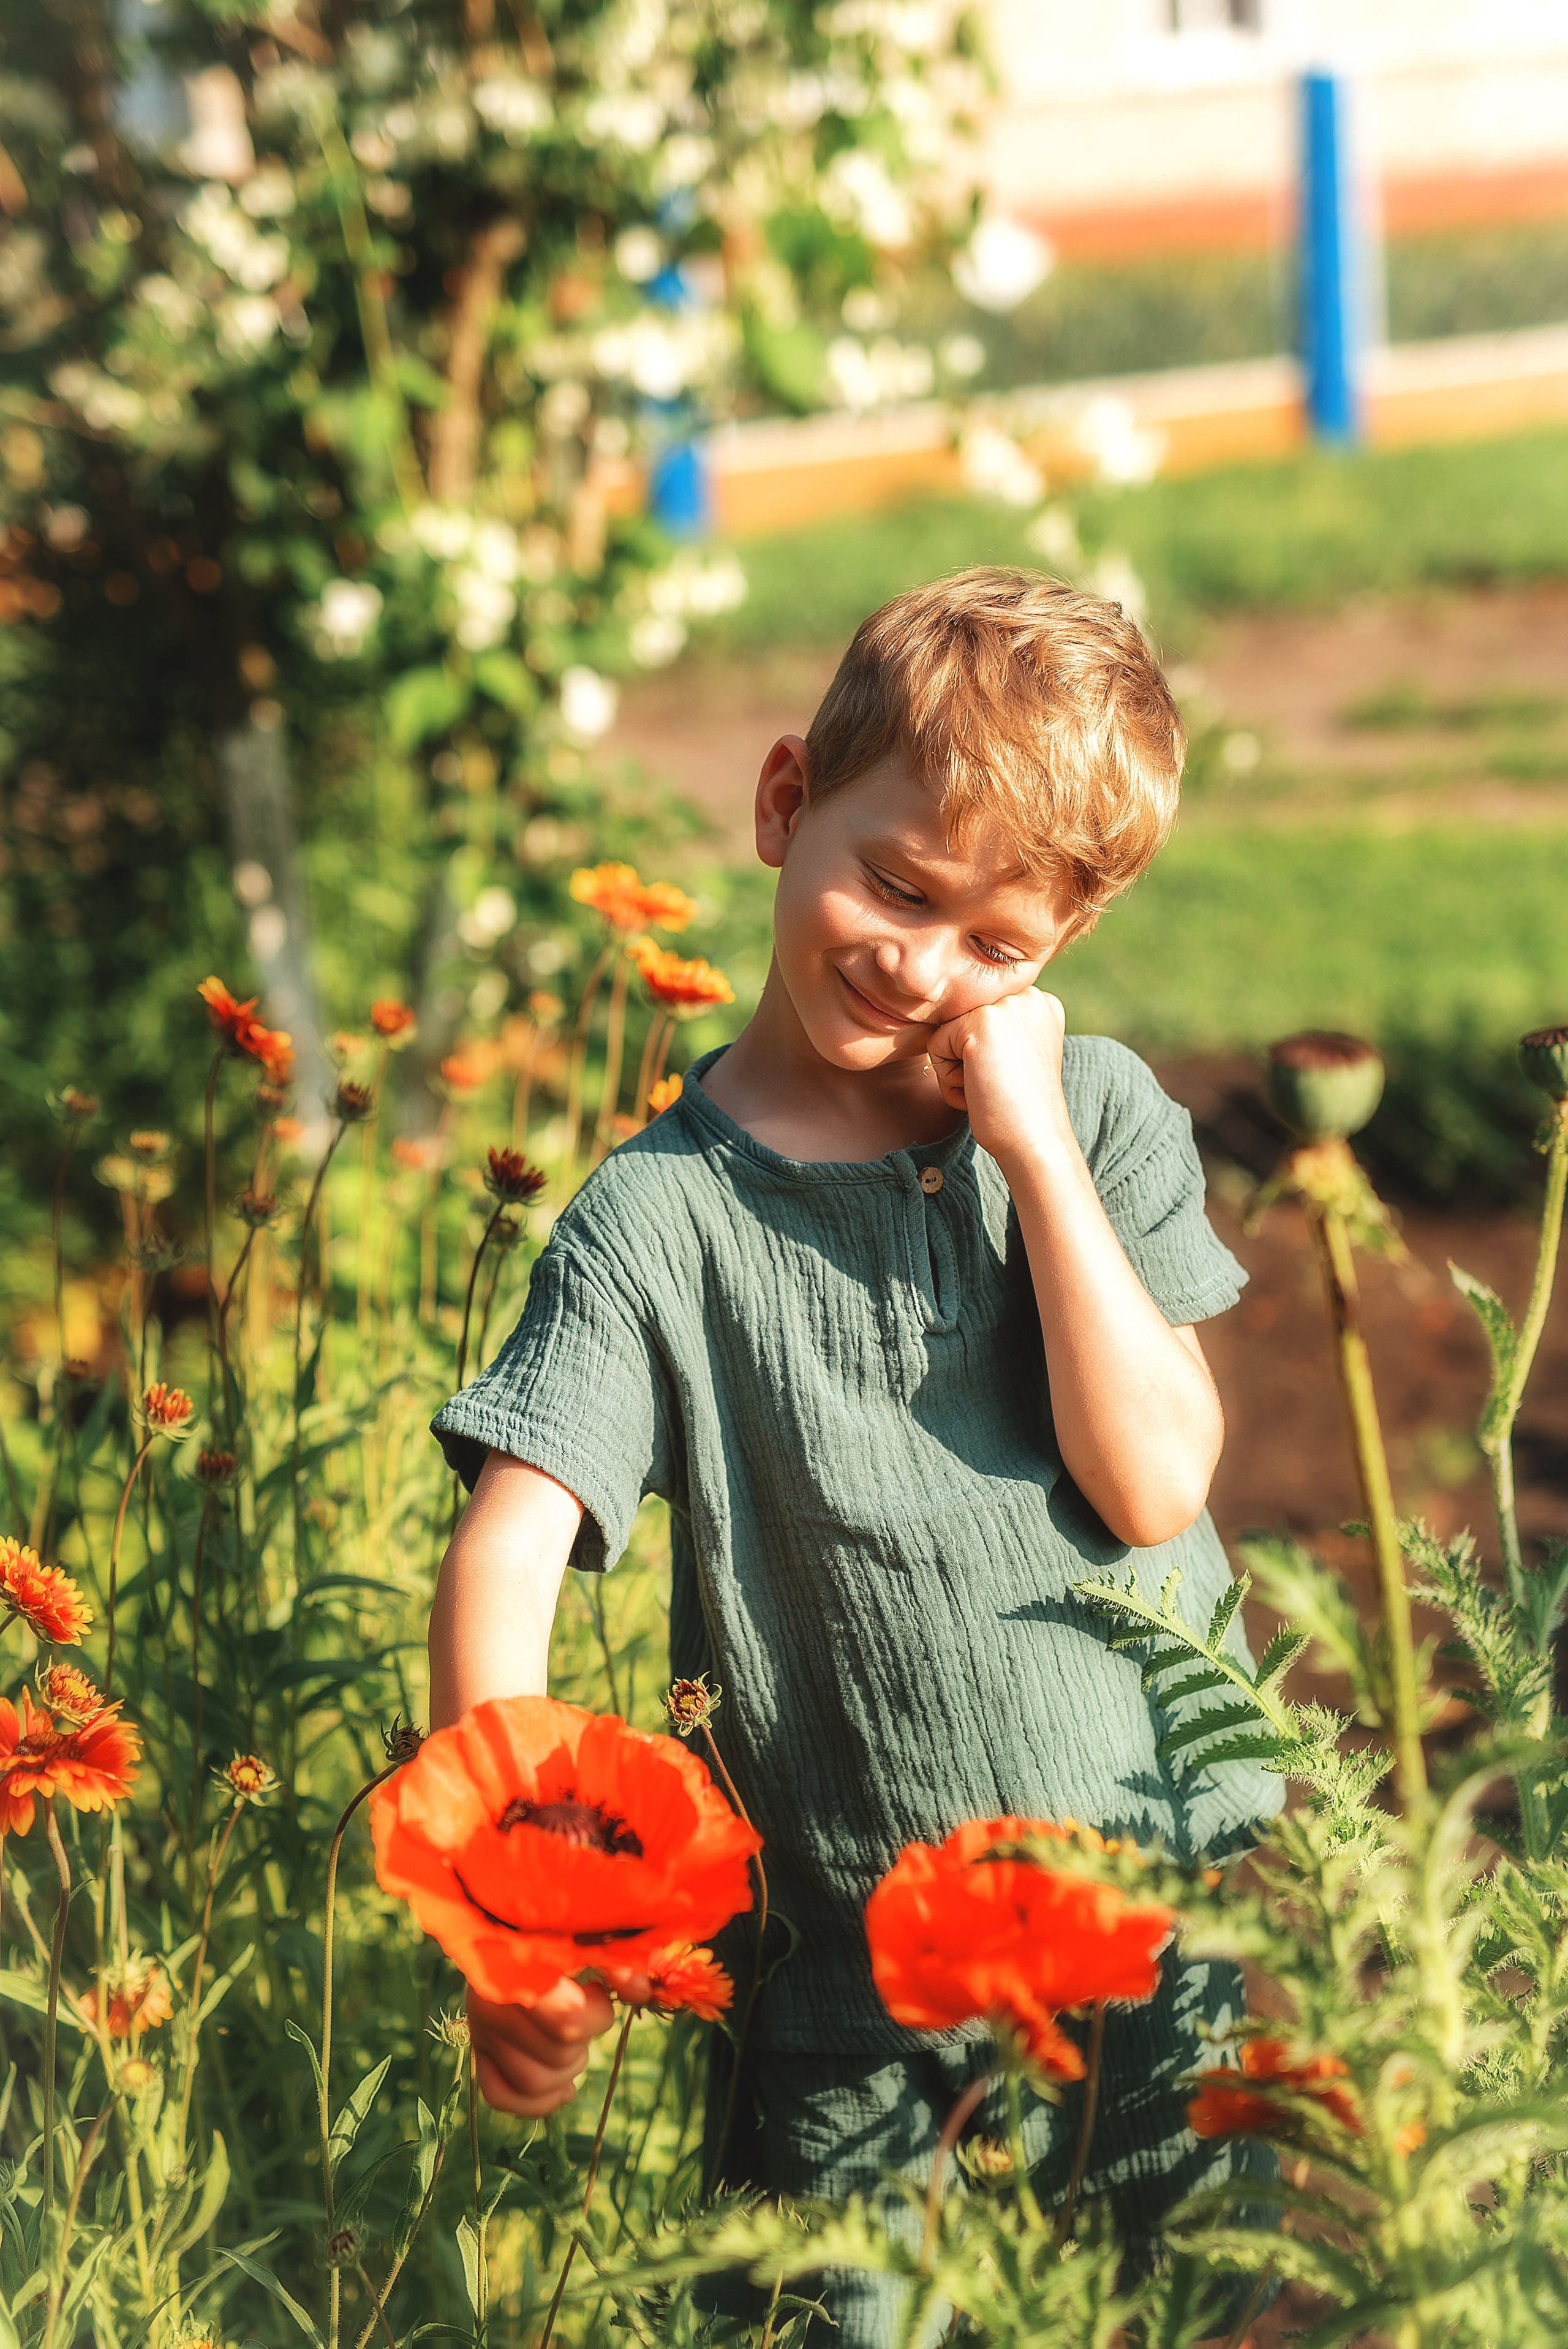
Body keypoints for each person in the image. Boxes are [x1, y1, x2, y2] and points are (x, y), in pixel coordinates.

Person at [426, 568, 1281, 2343]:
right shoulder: (654, 1223)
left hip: (1148, 1928)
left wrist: (1035, 1153)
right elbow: (514, 1543)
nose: (921, 961)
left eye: (999, 944)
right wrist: (518, 1892)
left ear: (1060, 957)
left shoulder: (1098, 1120)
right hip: (846, 1991)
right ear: (784, 800)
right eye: (895, 884)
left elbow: (1156, 1483)